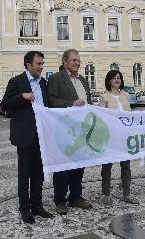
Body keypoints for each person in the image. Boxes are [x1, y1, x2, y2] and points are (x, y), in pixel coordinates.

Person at [2, 51, 54, 224]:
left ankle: (37, 206)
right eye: (38, 64)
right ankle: (24, 208)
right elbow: (4, 105)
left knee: (38, 173)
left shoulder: (43, 83)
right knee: (24, 174)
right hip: (25, 135)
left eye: (42, 63)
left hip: (41, 135)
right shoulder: (16, 82)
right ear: (28, 64)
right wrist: (21, 97)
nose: (41, 66)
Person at [47, 49, 93, 215]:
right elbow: (51, 101)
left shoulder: (83, 80)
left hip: (81, 129)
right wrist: (71, 103)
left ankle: (75, 196)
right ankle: (60, 200)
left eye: (78, 60)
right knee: (63, 166)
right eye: (73, 60)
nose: (77, 63)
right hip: (64, 129)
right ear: (64, 61)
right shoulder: (56, 79)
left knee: (79, 165)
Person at [98, 70, 139, 205]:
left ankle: (127, 193)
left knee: (126, 166)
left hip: (124, 136)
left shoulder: (126, 95)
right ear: (109, 81)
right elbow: (102, 116)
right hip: (110, 136)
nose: (117, 80)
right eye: (114, 78)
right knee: (107, 166)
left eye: (119, 78)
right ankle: (106, 194)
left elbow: (130, 115)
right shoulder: (104, 97)